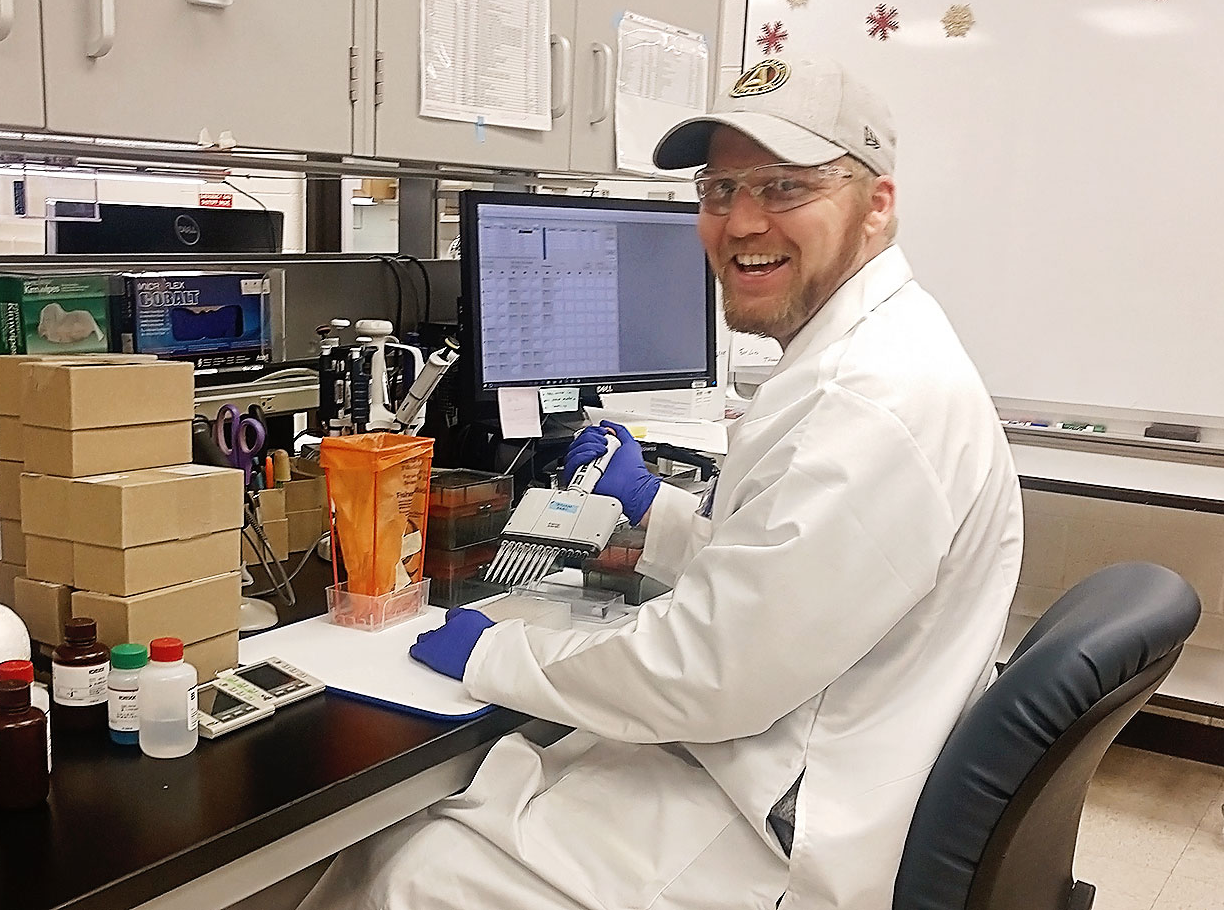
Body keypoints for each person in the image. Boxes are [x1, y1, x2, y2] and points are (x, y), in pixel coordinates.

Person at [298, 58, 1024, 910]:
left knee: (412, 872)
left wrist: (493, 652)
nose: (741, 220)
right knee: (446, 814)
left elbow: (708, 673)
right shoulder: (866, 356)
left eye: (784, 187)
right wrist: (661, 514)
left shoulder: (870, 404)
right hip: (776, 761)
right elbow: (778, 578)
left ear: (878, 203)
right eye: (719, 190)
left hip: (774, 831)